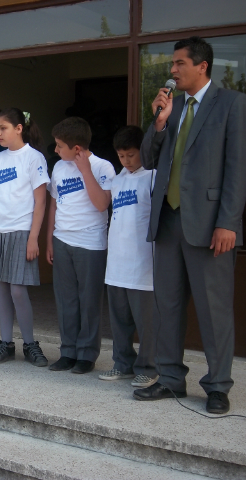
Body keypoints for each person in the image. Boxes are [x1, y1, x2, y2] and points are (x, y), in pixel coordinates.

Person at [135, 37, 246, 414]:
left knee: (214, 309)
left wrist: (229, 221)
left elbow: (238, 167)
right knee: (167, 306)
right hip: (168, 221)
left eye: (179, 64)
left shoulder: (232, 103)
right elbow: (149, 160)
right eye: (172, 64)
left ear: (202, 66)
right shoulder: (173, 106)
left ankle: (217, 385)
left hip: (209, 224)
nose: (172, 71)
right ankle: (170, 379)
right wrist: (159, 122)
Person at [46, 117, 115, 374]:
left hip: (90, 243)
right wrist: (50, 239)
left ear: (77, 149)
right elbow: (54, 203)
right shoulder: (59, 167)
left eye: (59, 145)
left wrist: (85, 170)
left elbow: (101, 204)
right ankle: (68, 351)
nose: (55, 150)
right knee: (66, 300)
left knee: (89, 301)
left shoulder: (102, 166)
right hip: (62, 239)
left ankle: (87, 355)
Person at [0, 109, 50, 367]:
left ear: (19, 128)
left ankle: (30, 343)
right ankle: (5, 343)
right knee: (4, 289)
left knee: (19, 290)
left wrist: (34, 238)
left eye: (3, 128)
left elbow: (41, 202)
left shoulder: (34, 158)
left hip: (22, 230)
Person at [99, 126, 158, 388]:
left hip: (142, 262)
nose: (126, 161)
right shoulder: (118, 180)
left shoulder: (153, 178)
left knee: (146, 322)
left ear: (144, 150)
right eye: (121, 156)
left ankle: (149, 367)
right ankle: (122, 363)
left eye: (131, 155)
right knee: (119, 319)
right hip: (117, 263)